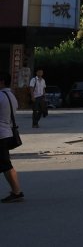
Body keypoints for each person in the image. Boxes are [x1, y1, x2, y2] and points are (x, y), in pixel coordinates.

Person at [0, 72, 24, 203]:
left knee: (6, 165)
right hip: (6, 133)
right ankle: (16, 191)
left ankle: (17, 191)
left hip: (1, 135)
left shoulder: (0, 96)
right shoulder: (11, 96)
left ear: (2, 81)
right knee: (5, 164)